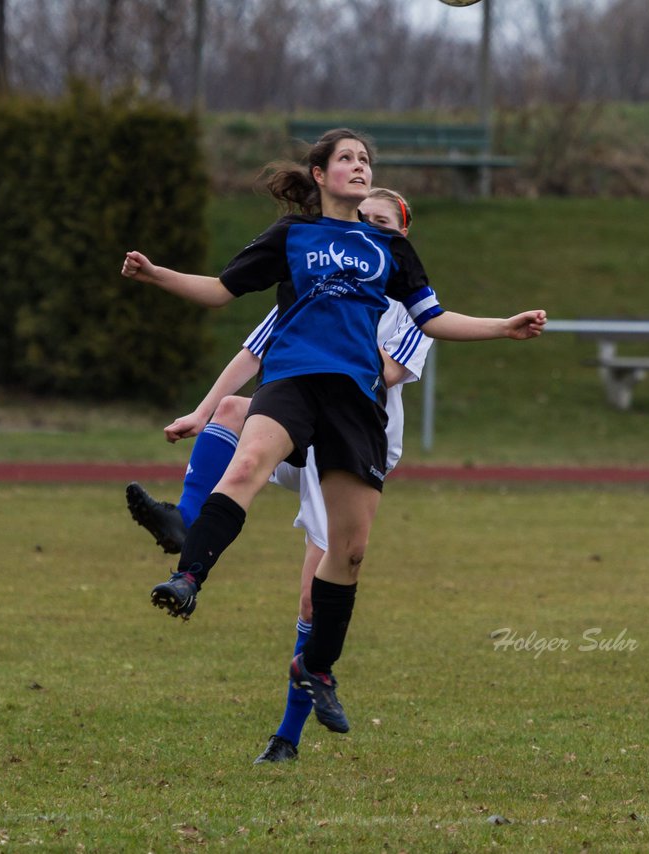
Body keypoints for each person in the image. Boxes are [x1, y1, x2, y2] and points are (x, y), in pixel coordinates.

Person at [121, 128, 546, 736]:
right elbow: (220, 290)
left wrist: (503, 326)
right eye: (346, 157)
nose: (359, 165)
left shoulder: (388, 251)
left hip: (356, 401)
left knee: (348, 554)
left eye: (366, 158)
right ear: (319, 175)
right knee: (244, 464)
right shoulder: (292, 237)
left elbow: (433, 318)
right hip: (294, 385)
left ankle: (316, 667)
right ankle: (188, 576)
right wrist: (157, 273)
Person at [127, 189, 431, 763]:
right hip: (301, 429)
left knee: (314, 602)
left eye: (382, 222)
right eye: (363, 217)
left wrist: (339, 324)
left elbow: (380, 372)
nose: (367, 226)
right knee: (232, 412)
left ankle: (286, 739)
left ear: (399, 237)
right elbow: (252, 356)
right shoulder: (314, 278)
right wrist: (199, 409)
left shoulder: (404, 305)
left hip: (349, 451)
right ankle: (184, 526)